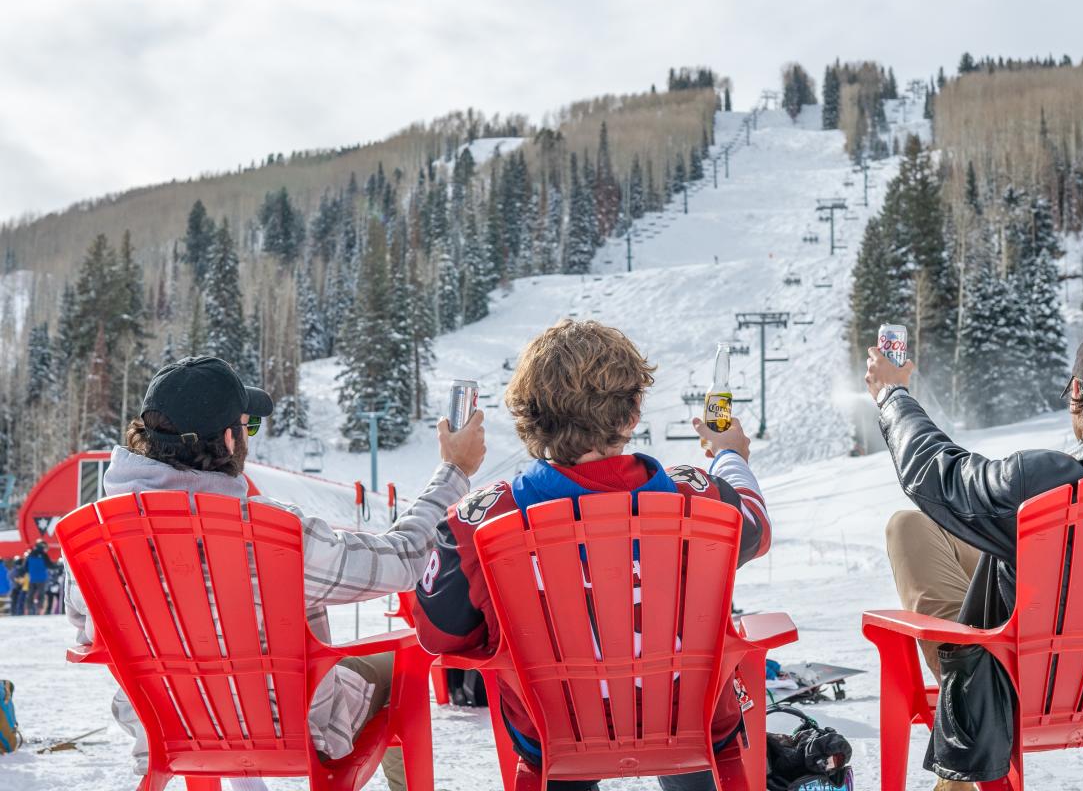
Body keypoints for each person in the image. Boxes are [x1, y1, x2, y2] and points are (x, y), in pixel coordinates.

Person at [65, 356, 487, 791]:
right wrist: (454, 472)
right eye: (248, 427)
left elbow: (85, 631)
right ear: (229, 440)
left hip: (165, 725)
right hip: (290, 728)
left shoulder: (93, 538)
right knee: (399, 665)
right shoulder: (274, 536)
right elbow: (404, 560)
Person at [414, 320, 772, 791]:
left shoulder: (477, 522)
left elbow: (438, 634)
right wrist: (730, 456)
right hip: (695, 723)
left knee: (560, 727)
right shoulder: (700, 500)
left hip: (552, 734)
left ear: (530, 419)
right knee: (685, 714)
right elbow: (757, 526)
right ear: (632, 414)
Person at [865, 325, 1083, 790]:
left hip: (1021, 692)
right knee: (915, 527)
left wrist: (892, 393)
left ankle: (958, 780)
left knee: (910, 533)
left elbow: (939, 474)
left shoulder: (1044, 487)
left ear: (1078, 396)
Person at [23, 540, 48, 615]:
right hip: (42, 578)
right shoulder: (44, 554)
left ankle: (28, 609)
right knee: (41, 595)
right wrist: (58, 566)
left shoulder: (30, 554)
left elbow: (25, 567)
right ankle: (40, 610)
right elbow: (50, 565)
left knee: (30, 594)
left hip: (32, 578)